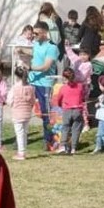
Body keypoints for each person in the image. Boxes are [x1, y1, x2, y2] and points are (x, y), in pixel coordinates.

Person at [28, 21, 59, 150]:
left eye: (36, 33)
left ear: (45, 33)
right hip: (32, 82)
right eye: (33, 33)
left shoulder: (52, 47)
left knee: (46, 114)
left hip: (45, 84)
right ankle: (22, 139)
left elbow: (46, 67)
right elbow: (31, 52)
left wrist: (30, 68)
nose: (34, 36)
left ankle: (49, 140)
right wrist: (19, 50)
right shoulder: (35, 43)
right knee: (23, 110)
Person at [52, 68, 85, 155]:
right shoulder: (80, 86)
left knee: (65, 128)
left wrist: (60, 105)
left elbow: (59, 99)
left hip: (67, 110)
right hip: (78, 110)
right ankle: (73, 148)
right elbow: (83, 96)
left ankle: (62, 146)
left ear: (64, 78)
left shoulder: (63, 88)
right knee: (76, 129)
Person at [7, 66, 36, 160]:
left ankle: (21, 153)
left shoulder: (15, 88)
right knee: (25, 133)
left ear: (16, 76)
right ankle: (23, 151)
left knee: (19, 133)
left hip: (17, 113)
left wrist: (12, 105)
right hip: (27, 113)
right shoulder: (31, 88)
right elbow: (33, 101)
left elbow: (9, 100)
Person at [66, 47, 93, 132]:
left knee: (83, 105)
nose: (82, 56)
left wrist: (71, 77)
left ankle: (86, 124)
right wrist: (67, 46)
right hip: (75, 86)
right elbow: (71, 55)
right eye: (81, 54)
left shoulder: (88, 64)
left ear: (89, 56)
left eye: (85, 55)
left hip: (84, 87)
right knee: (75, 104)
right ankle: (76, 122)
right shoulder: (77, 61)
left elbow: (82, 77)